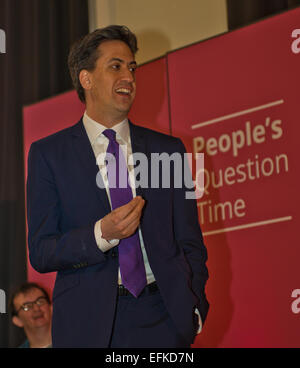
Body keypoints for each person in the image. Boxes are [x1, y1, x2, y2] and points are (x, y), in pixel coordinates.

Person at [26, 25, 209, 348]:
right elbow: (42, 251)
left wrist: (193, 307)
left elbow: (190, 240)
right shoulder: (48, 154)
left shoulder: (168, 150)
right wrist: (102, 234)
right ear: (86, 79)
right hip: (89, 325)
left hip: (163, 318)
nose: (129, 77)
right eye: (116, 66)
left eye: (132, 68)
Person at [9, 282, 52, 348]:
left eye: (40, 301)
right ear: (17, 320)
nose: (36, 308)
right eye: (27, 306)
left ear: (51, 308)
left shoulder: (71, 340)